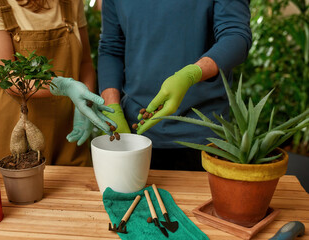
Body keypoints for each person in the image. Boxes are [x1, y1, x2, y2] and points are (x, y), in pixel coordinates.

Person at [98, 0, 252, 170]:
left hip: (204, 137)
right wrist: (111, 107)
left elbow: (235, 35)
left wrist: (192, 74)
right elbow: (110, 48)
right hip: (134, 136)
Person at [0, 0, 114, 165]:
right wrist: (63, 86)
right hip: (9, 151)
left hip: (69, 142)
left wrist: (86, 103)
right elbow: (8, 78)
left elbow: (84, 64)